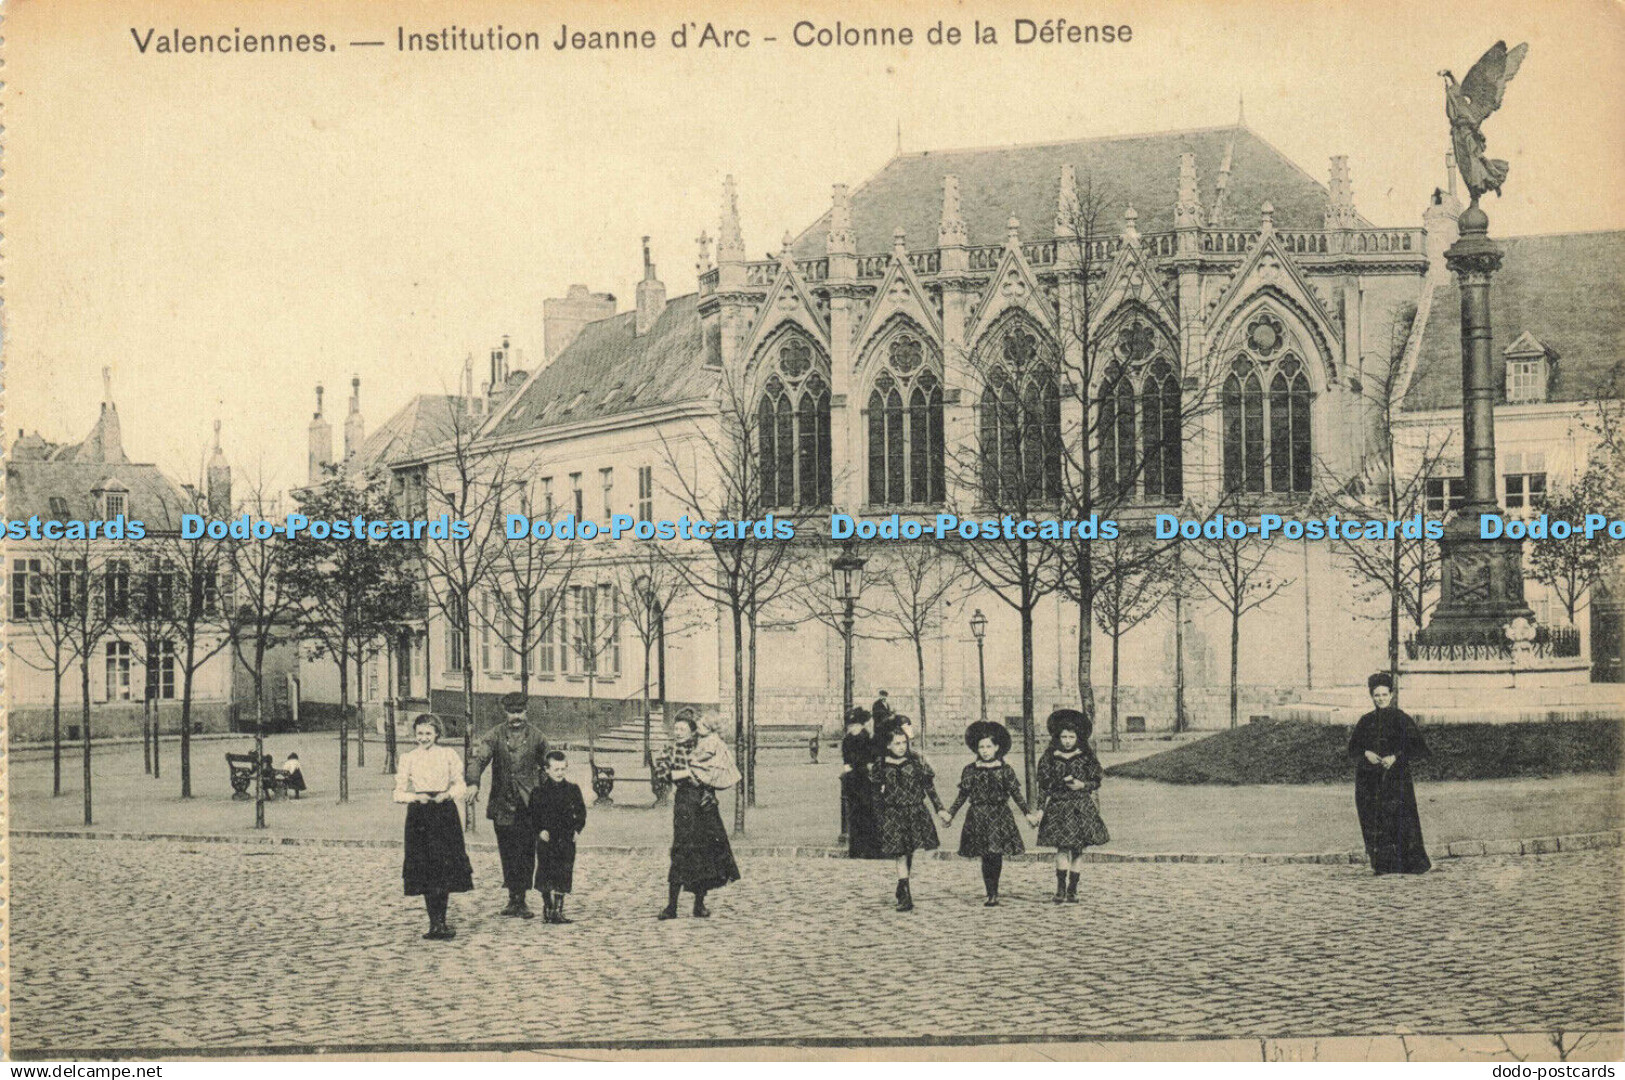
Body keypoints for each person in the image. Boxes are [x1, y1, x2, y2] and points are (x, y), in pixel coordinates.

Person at [465, 692, 549, 919]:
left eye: (520, 712)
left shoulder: (537, 737)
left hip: (528, 804)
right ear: (505, 712)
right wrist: (473, 783)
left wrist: (549, 794)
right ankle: (513, 897)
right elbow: (479, 760)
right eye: (512, 712)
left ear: (526, 711)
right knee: (507, 850)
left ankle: (521, 899)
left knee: (526, 851)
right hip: (502, 802)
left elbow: (549, 766)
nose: (516, 717)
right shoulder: (494, 735)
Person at [394, 715, 473, 940]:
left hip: (444, 813)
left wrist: (447, 794)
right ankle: (434, 923)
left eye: (428, 733)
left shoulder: (448, 755)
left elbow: (460, 785)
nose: (424, 738)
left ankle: (442, 921)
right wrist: (415, 797)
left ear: (437, 733)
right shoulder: (408, 758)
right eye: (420, 733)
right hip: (420, 816)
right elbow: (398, 793)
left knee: (443, 867)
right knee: (425, 868)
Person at [658, 709, 741, 919]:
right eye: (676, 728)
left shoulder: (703, 745)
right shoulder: (669, 749)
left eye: (682, 729)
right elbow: (663, 774)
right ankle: (671, 906)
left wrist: (708, 787)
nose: (678, 732)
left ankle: (699, 905)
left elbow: (717, 770)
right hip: (685, 804)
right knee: (681, 850)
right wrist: (685, 774)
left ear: (692, 731)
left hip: (705, 804)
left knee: (705, 852)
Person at [944, 721, 1037, 906]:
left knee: (996, 853)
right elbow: (963, 795)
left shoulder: (1005, 770)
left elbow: (1016, 794)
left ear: (996, 748)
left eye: (988, 747)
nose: (985, 751)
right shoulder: (970, 770)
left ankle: (994, 891)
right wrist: (950, 813)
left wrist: (1027, 813)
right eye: (981, 747)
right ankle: (990, 892)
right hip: (977, 815)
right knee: (985, 854)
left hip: (999, 815)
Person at [1349, 673, 1432, 875]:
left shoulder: (1401, 719)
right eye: (1376, 695)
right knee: (1375, 819)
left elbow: (1419, 747)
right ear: (1371, 696)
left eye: (1384, 695)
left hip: (1397, 778)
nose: (1380, 699)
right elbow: (1352, 749)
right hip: (1370, 780)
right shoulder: (1366, 721)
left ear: (1391, 695)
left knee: (1402, 818)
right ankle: (1383, 865)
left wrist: (1395, 757)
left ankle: (1409, 864)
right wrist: (1366, 753)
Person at [1034, 709, 1110, 903]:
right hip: (1058, 807)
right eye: (1064, 737)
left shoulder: (1085, 756)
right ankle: (1060, 888)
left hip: (1080, 807)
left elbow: (1096, 780)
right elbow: (1043, 785)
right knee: (1061, 848)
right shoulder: (1050, 757)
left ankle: (1073, 889)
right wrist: (1040, 809)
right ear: (1057, 737)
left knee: (1077, 850)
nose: (1067, 741)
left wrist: (1083, 785)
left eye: (1071, 737)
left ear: (1078, 737)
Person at [872, 727, 948, 912]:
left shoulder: (916, 761)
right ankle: (906, 895)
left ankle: (902, 884)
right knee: (900, 853)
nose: (901, 747)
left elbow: (929, 788)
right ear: (888, 745)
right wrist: (879, 816)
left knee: (909, 850)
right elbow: (875, 794)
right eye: (897, 743)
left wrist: (940, 809)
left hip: (915, 811)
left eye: (904, 743)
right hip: (893, 813)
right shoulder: (881, 764)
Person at [529, 750, 587, 924]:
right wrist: (539, 831)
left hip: (566, 839)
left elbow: (581, 812)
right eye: (556, 769)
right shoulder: (538, 792)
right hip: (547, 840)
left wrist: (577, 829)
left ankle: (558, 910)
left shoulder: (573, 790)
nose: (560, 773)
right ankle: (547, 907)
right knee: (545, 872)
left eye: (563, 769)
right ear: (547, 770)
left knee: (564, 872)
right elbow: (531, 816)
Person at [841, 706, 881, 858]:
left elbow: (872, 760)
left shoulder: (868, 739)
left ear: (862, 725)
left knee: (869, 814)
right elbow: (846, 761)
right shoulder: (847, 741)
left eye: (855, 725)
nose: (852, 728)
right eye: (850, 726)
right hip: (853, 781)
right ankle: (856, 849)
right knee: (855, 815)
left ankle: (871, 850)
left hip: (866, 781)